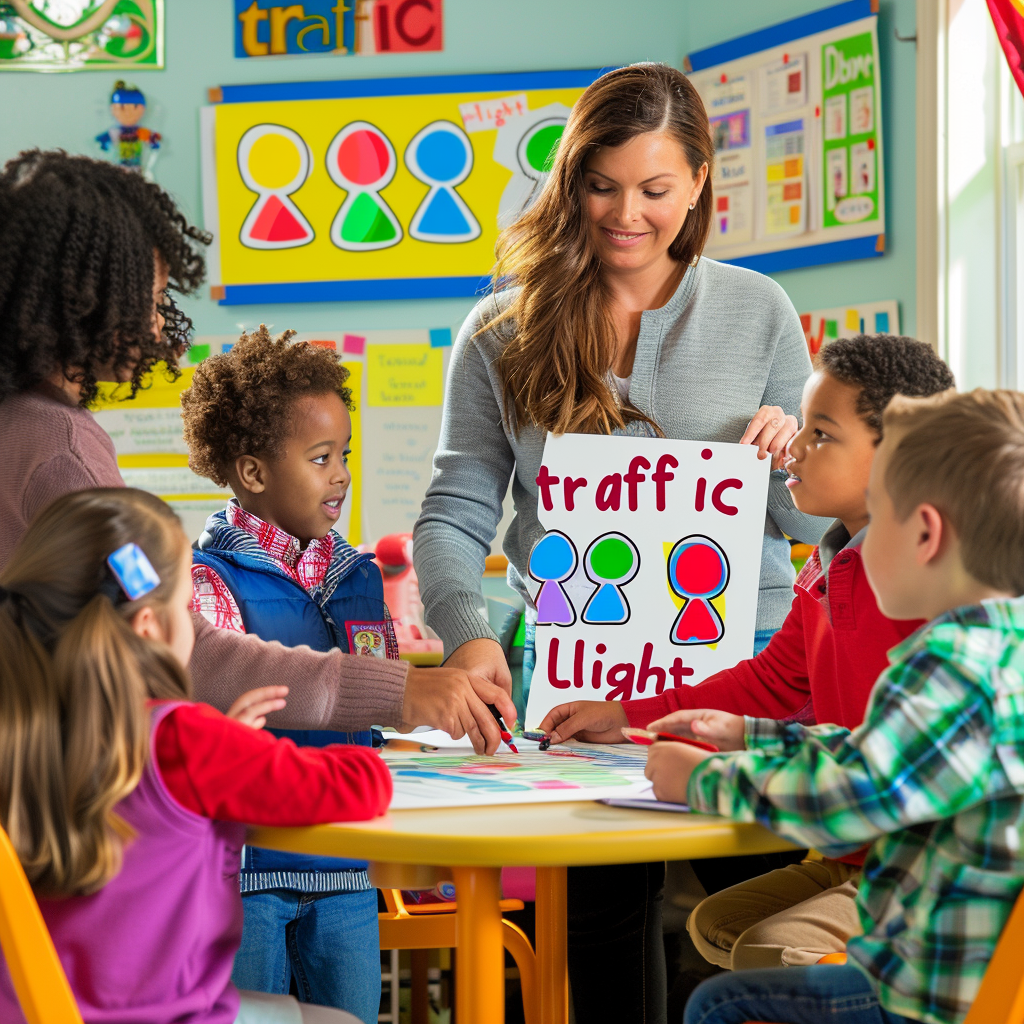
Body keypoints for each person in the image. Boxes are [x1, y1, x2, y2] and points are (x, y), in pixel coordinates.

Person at [413, 62, 827, 1022]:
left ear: (698, 185)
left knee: (776, 895)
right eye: (601, 185)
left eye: (655, 190)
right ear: (570, 181)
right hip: (577, 681)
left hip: (747, 675)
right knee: (596, 921)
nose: (625, 215)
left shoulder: (758, 309)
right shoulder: (499, 327)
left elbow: (814, 530)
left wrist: (788, 456)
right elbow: (454, 512)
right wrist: (470, 635)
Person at [0, 148, 516, 754]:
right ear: (85, 296)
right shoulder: (63, 451)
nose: (161, 325)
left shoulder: (22, 427)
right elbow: (180, 648)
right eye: (151, 297)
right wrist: (396, 691)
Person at [538, 336, 955, 974]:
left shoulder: (920, 585)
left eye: (821, 435)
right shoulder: (827, 567)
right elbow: (769, 682)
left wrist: (717, 768)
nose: (793, 447)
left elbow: (889, 760)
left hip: (927, 862)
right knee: (721, 923)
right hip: (864, 853)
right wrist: (628, 714)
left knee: (766, 949)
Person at [645, 388, 1024, 1024]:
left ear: (924, 534)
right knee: (726, 938)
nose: (858, 550)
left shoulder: (950, 663)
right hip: (973, 965)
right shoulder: (997, 645)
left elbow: (854, 797)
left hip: (931, 989)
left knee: (723, 1003)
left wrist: (705, 779)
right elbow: (873, 750)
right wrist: (751, 736)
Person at [0, 487, 392, 1024]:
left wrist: (225, 746)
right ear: (150, 630)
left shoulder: (19, 729)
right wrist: (246, 751)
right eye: (188, 606)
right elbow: (357, 785)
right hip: (164, 1013)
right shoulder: (185, 740)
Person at [181, 326, 401, 1023]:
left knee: (354, 1017)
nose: (340, 474)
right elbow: (223, 714)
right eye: (320, 457)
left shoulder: (361, 578)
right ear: (252, 472)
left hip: (348, 865)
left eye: (345, 455)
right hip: (248, 876)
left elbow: (382, 697)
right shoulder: (208, 580)